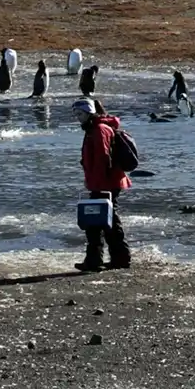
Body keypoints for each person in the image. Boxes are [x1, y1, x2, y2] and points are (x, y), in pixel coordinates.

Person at [74, 98, 131, 272]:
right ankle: (114, 259)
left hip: (106, 183)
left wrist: (97, 185)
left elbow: (102, 158)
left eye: (80, 114)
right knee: (104, 221)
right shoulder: (94, 129)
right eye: (76, 114)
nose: (78, 117)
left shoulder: (99, 130)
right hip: (105, 181)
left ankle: (100, 260)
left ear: (90, 113)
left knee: (99, 222)